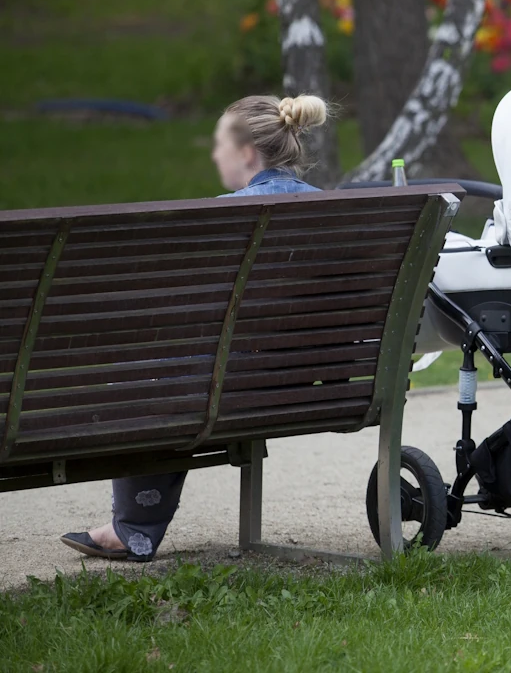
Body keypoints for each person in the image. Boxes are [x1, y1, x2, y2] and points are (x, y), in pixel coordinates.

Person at [59, 95, 330, 562]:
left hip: (226, 389)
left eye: (219, 144)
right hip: (311, 387)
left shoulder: (220, 215)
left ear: (246, 153)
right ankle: (131, 526)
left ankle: (133, 527)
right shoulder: (335, 210)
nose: (214, 154)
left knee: (147, 376)